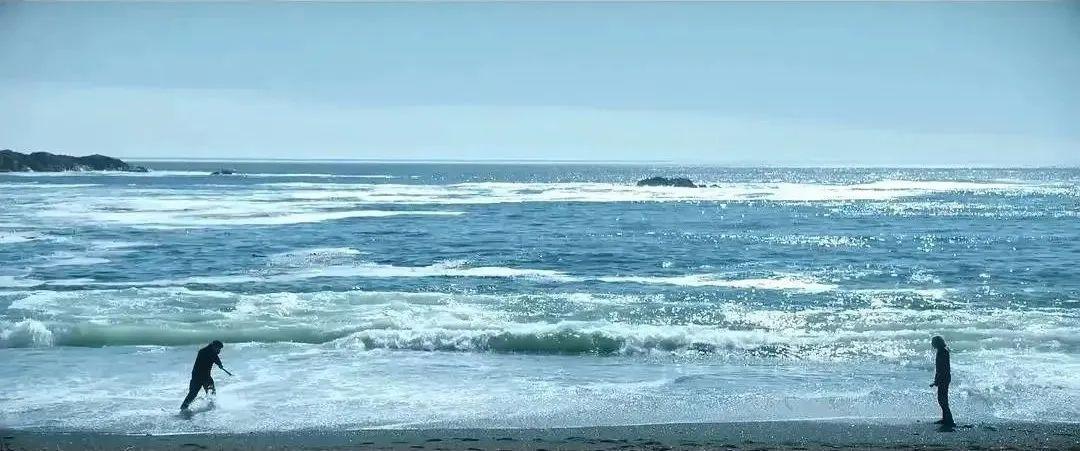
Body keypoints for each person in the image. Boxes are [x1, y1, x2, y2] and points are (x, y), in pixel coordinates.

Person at [180, 340, 233, 411]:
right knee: (200, 393)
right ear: (214, 346)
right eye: (218, 349)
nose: (219, 351)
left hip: (200, 375)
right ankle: (210, 408)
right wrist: (219, 364)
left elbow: (215, 357)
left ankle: (184, 408)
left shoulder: (208, 351)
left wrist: (219, 364)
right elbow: (214, 357)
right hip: (201, 376)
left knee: (206, 392)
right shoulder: (205, 352)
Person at [929, 336, 954, 426]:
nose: (932, 344)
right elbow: (939, 368)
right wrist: (936, 380)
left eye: (933, 342)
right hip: (944, 377)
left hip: (944, 377)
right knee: (942, 399)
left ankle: (949, 420)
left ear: (937, 343)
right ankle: (945, 418)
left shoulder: (942, 352)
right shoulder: (942, 351)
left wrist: (937, 380)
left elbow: (942, 368)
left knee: (942, 400)